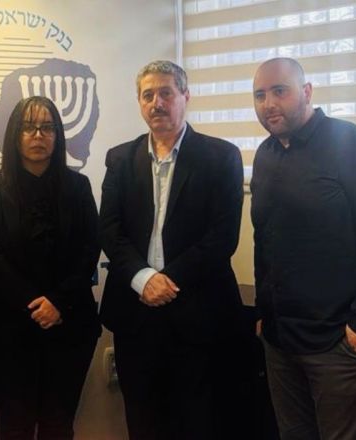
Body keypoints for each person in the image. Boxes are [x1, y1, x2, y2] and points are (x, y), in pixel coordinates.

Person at [251, 57, 356, 440]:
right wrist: (265, 310)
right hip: (280, 339)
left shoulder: (353, 144)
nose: (269, 104)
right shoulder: (265, 155)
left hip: (338, 340)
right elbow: (264, 239)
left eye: (279, 91)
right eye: (260, 95)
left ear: (307, 91)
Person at [99, 60, 245, 439]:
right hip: (136, 316)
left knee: (199, 422)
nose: (157, 103)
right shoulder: (120, 159)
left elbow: (222, 237)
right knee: (142, 421)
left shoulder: (221, 157)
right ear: (139, 102)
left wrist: (167, 280)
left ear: (185, 96)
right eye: (148, 95)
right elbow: (110, 230)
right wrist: (144, 279)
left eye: (166, 93)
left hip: (198, 315)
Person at [0, 96, 101, 440]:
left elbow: (90, 248)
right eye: (28, 127)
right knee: (14, 426)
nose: (38, 135)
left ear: (58, 135)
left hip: (69, 324)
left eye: (47, 127)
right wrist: (36, 303)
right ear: (14, 134)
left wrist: (57, 302)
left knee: (59, 425)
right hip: (8, 328)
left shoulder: (78, 186)